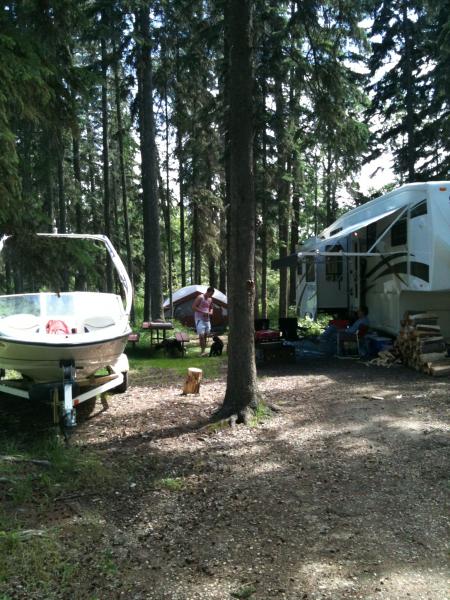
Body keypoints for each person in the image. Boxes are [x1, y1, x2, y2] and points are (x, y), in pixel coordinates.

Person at [192, 287, 215, 356]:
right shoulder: (200, 297)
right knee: (201, 335)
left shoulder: (210, 299)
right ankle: (202, 351)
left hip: (207, 319)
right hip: (199, 318)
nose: (211, 296)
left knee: (205, 335)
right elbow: (193, 307)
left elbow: (211, 308)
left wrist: (210, 312)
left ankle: (204, 351)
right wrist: (202, 312)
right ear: (207, 292)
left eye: (212, 294)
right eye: (210, 294)